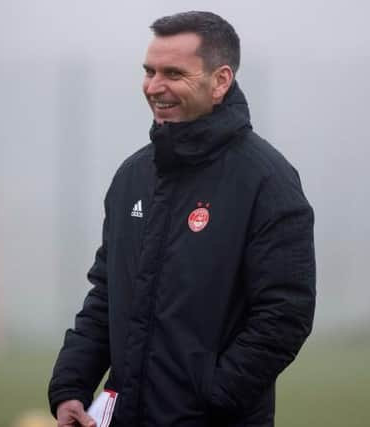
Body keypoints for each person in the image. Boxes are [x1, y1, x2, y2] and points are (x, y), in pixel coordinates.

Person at [48, 11, 316, 427]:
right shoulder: (132, 177)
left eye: (173, 73)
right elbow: (107, 294)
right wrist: (71, 387)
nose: (155, 87)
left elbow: (285, 314)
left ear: (220, 81)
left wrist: (213, 398)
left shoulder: (267, 180)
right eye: (149, 71)